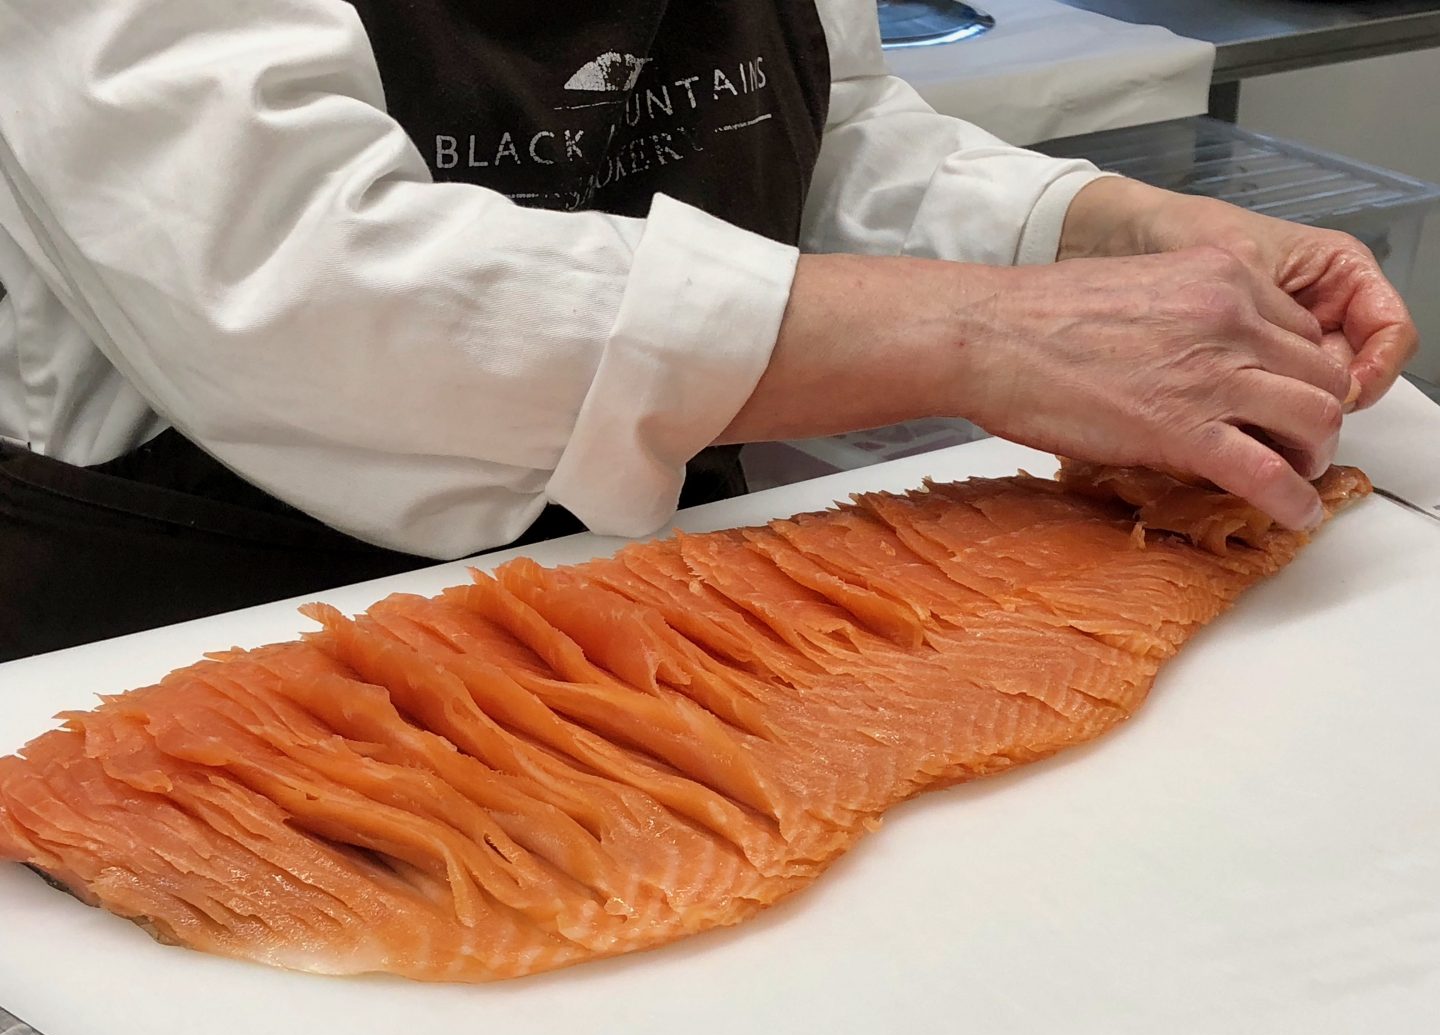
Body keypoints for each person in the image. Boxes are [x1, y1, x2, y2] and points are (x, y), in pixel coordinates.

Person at [0, 0, 1417, 662]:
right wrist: (991, 332)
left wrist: (1094, 226)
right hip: (198, 620)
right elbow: (310, 292)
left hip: (650, 594)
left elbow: (813, 121)